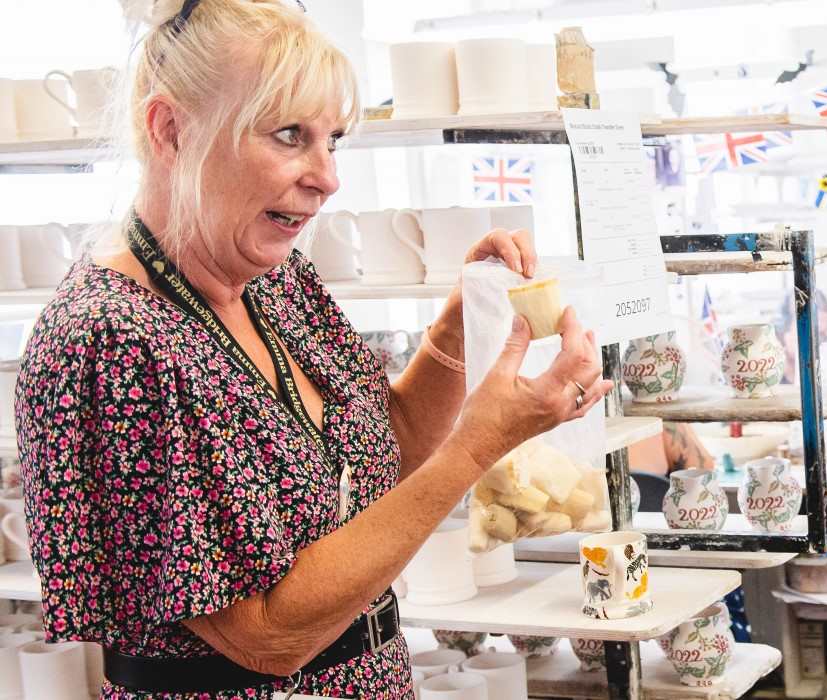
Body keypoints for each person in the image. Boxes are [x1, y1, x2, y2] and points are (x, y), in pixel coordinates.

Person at [11, 1, 613, 696]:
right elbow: (266, 638)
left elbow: (381, 456)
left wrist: (453, 332)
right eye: (289, 135)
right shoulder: (114, 341)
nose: (327, 178)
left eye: (334, 141)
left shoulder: (276, 282)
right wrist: (478, 446)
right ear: (170, 129)